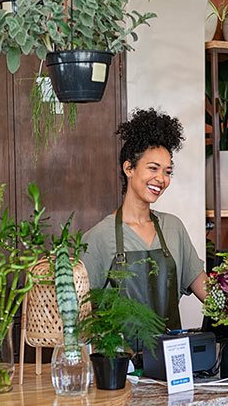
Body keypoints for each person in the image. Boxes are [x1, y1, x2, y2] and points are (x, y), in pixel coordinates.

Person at [81, 108, 207, 331]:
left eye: (167, 172)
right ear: (129, 168)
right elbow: (81, 315)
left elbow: (207, 292)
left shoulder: (173, 228)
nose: (161, 179)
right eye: (153, 168)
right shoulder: (98, 237)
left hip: (171, 357)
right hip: (120, 362)